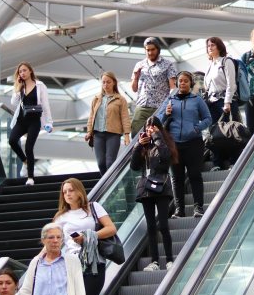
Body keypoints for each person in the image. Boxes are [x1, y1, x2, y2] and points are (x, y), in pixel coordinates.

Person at [52, 177, 117, 295]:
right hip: (71, 267)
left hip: (93, 265)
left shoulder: (93, 208)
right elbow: (54, 242)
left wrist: (89, 237)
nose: (68, 194)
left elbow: (111, 228)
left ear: (79, 191)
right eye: (65, 192)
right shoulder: (60, 217)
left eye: (71, 190)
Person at [156, 71, 212, 218]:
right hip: (174, 144)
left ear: (190, 83)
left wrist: (196, 128)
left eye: (185, 81)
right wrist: (166, 114)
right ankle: (179, 210)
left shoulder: (197, 100)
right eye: (180, 81)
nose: (182, 83)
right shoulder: (170, 100)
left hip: (193, 143)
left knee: (194, 175)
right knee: (176, 178)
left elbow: (208, 119)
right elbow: (158, 122)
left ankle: (198, 207)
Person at [131, 116, 178, 271]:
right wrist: (138, 145)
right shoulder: (144, 146)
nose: (149, 129)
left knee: (163, 225)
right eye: (147, 127)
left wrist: (157, 136)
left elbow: (166, 158)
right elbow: (134, 166)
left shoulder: (164, 143)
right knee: (151, 227)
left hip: (162, 187)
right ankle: (155, 262)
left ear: (159, 128)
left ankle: (170, 260)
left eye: (153, 127)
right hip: (146, 189)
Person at [9, 62, 53, 186]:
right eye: (20, 72)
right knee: (12, 140)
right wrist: (17, 87)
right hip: (21, 120)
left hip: (34, 121)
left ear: (30, 71)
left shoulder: (40, 85)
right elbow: (13, 102)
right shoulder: (20, 87)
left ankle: (30, 177)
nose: (22, 73)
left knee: (29, 147)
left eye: (24, 70)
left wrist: (49, 122)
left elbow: (45, 104)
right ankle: (25, 161)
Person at [203, 37, 240, 171]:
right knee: (214, 135)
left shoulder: (226, 61)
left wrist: (227, 101)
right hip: (212, 103)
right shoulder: (209, 66)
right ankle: (216, 162)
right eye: (208, 46)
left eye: (213, 45)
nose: (210, 48)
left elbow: (231, 84)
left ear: (219, 47)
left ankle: (233, 161)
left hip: (225, 102)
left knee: (230, 133)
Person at [85, 72, 131, 176]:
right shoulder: (96, 99)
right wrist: (89, 132)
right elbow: (91, 116)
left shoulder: (120, 99)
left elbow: (125, 117)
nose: (106, 85)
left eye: (108, 82)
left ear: (114, 83)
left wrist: (127, 135)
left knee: (110, 162)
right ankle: (106, 186)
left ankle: (111, 184)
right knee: (101, 163)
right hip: (98, 134)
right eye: (104, 82)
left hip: (113, 134)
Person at [129, 37, 177, 135]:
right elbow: (134, 89)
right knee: (135, 133)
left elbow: (173, 87)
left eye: (152, 49)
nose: (150, 52)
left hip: (159, 107)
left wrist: (170, 104)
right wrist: (136, 77)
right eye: (148, 50)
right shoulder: (139, 64)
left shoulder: (168, 64)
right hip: (142, 105)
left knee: (158, 136)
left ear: (158, 49)